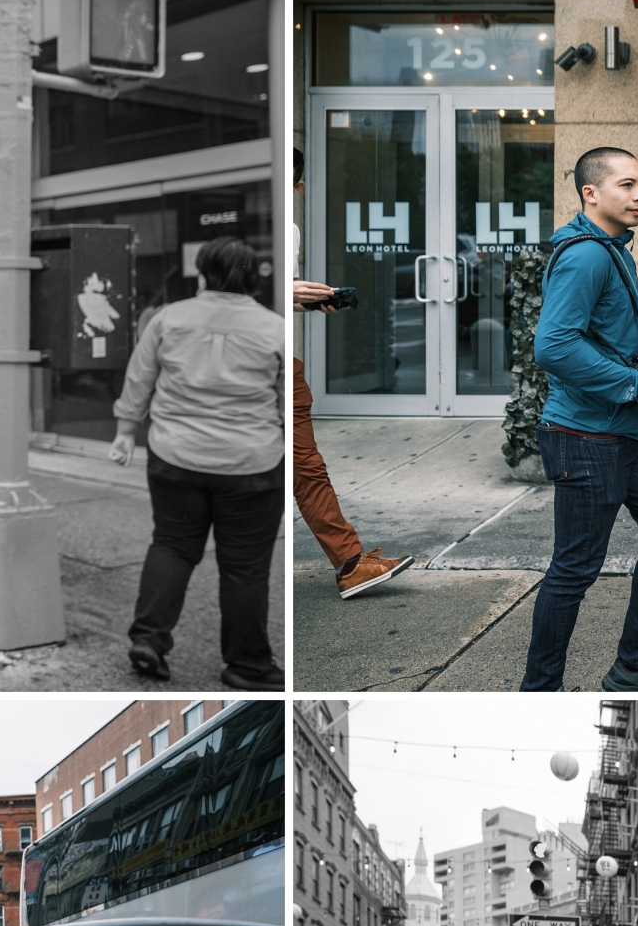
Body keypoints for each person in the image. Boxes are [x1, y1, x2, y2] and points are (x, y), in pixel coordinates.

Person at [521, 147, 638, 693]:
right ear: (590, 193)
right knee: (574, 570)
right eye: (626, 185)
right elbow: (552, 346)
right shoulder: (588, 256)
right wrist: (636, 384)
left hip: (626, 432)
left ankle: (635, 665)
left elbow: (597, 337)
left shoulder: (613, 248)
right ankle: (538, 693)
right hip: (583, 437)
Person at [108, 236, 285, 691]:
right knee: (245, 567)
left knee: (172, 545)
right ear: (252, 276)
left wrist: (126, 432)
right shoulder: (275, 328)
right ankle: (246, 666)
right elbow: (287, 400)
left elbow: (139, 378)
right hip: (252, 463)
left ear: (203, 271)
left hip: (175, 457)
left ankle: (149, 638)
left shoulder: (169, 318)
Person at [288, 147, 412, 600]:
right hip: (259, 366)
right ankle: (349, 562)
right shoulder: (276, 229)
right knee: (303, 469)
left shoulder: (289, 231)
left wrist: (307, 299)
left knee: (306, 469)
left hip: (276, 364)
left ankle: (350, 562)